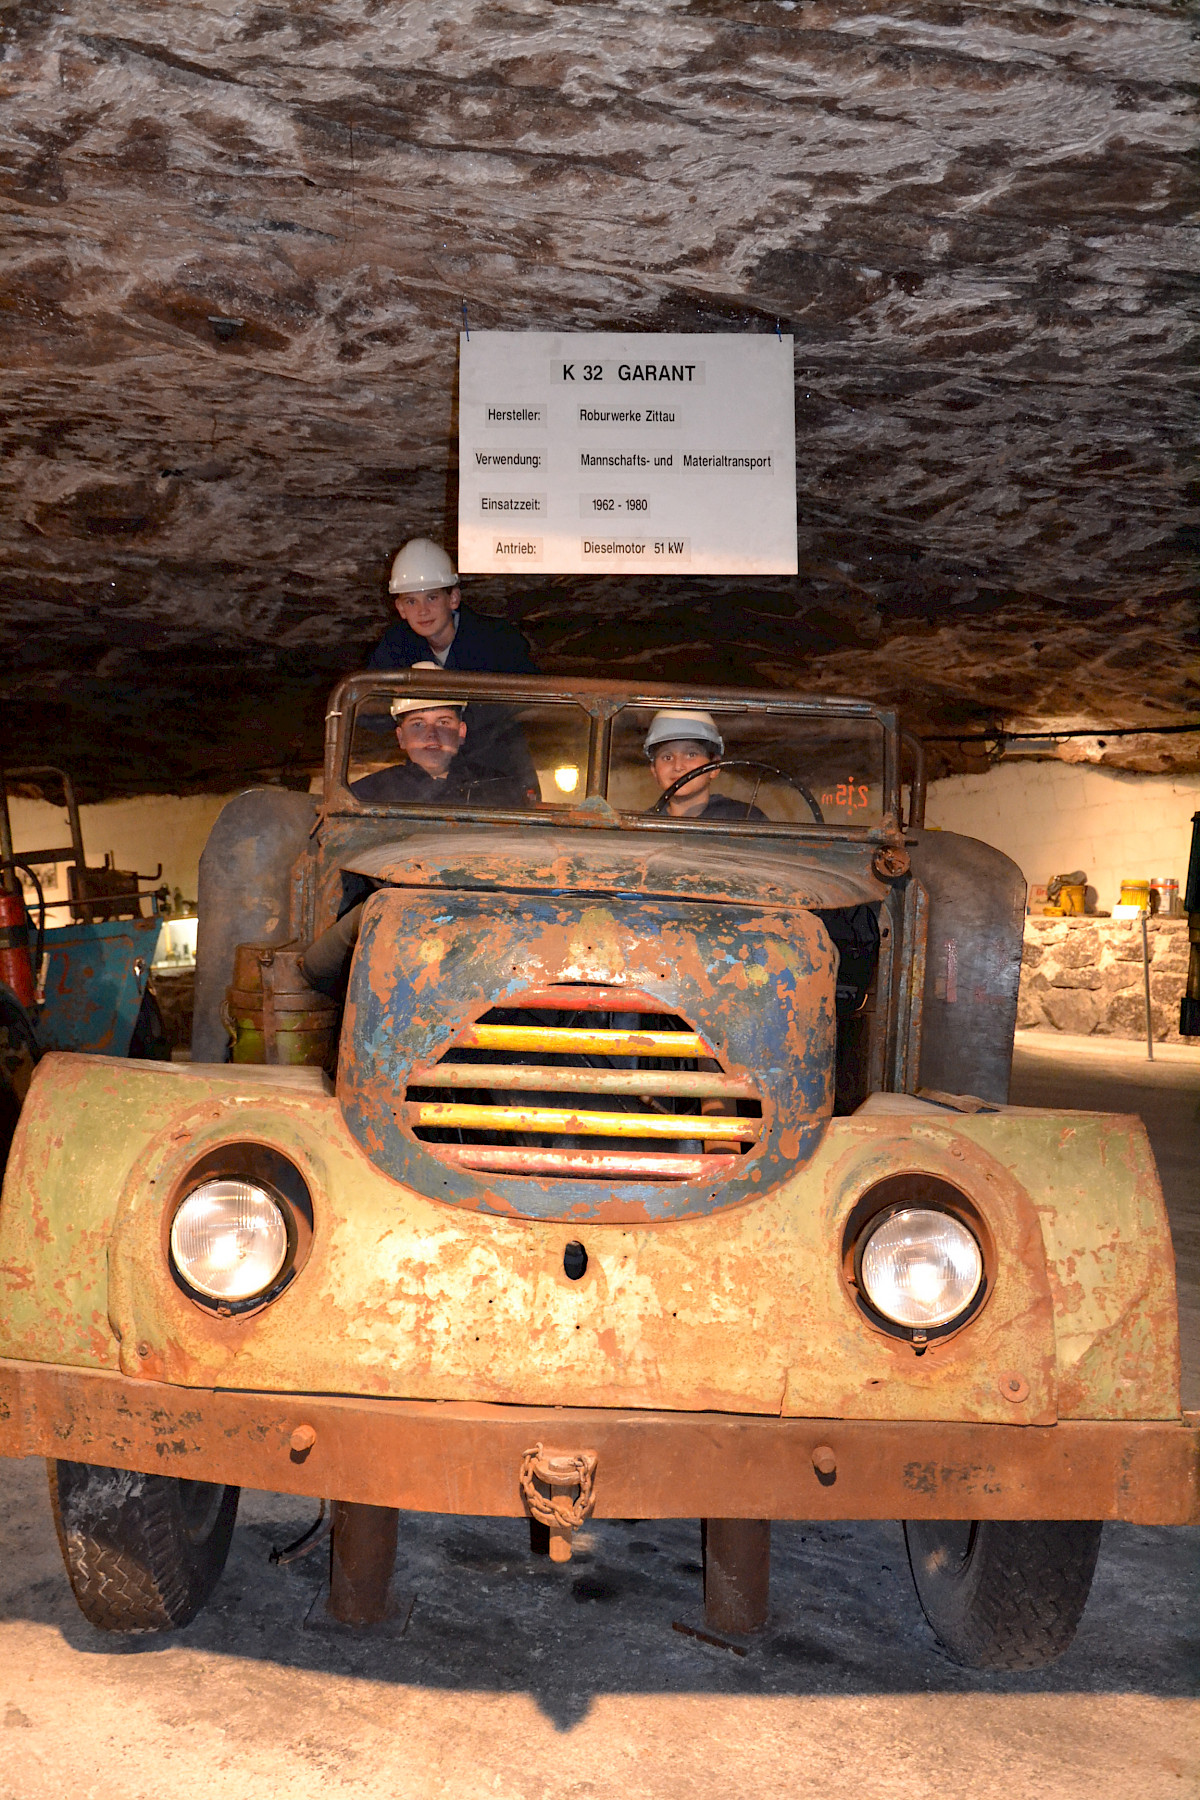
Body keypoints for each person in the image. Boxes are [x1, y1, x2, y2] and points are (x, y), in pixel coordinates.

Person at [351, 668, 530, 808]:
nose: (431, 734)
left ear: (461, 732)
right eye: (418, 724)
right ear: (401, 737)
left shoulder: (500, 789)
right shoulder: (366, 795)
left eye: (443, 723)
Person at [368, 538, 538, 673]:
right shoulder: (395, 645)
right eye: (411, 601)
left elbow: (529, 709)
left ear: (453, 598)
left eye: (432, 598)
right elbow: (372, 705)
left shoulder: (499, 642)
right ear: (401, 608)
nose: (423, 611)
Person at [644, 709, 766, 822]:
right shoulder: (642, 827)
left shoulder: (744, 819)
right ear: (654, 770)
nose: (678, 766)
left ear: (714, 767)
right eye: (667, 757)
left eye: (691, 754)